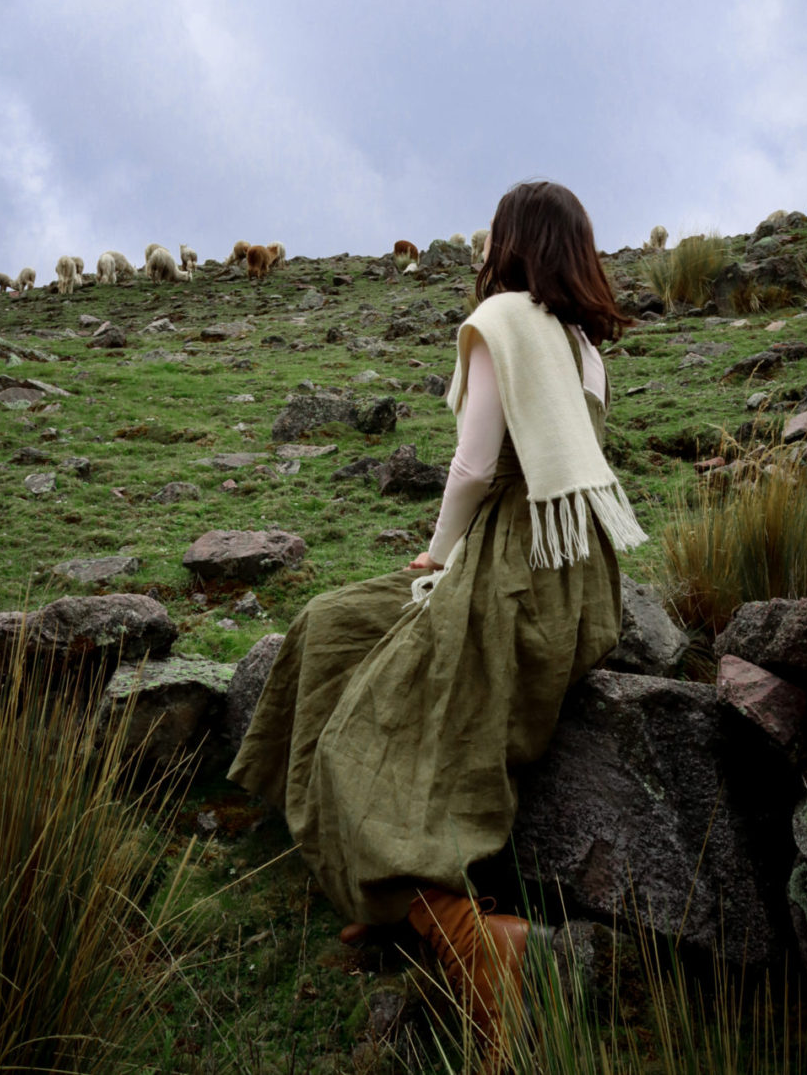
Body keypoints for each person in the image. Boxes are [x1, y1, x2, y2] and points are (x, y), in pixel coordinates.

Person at [228, 180, 648, 1053]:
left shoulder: (503, 320)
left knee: (358, 743)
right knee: (334, 626)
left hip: (508, 566)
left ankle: (472, 939)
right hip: (576, 576)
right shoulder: (582, 345)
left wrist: (437, 552)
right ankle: (386, 908)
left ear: (513, 242)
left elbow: (471, 466)